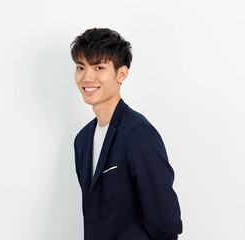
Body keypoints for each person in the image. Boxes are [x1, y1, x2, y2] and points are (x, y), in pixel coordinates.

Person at [71, 28, 183, 240]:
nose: (87, 77)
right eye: (80, 67)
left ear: (121, 74)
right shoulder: (82, 140)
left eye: (99, 67)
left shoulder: (138, 134)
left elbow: (165, 221)